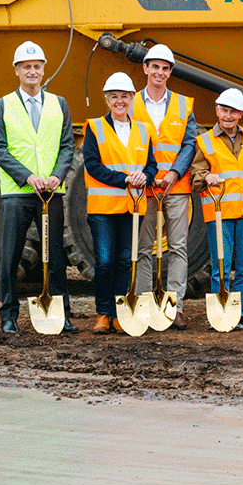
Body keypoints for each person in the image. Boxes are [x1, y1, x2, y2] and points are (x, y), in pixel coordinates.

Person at [0, 40, 78, 334]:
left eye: (37, 66)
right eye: (26, 66)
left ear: (43, 70)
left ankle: (61, 315)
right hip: (17, 193)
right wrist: (27, 176)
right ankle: (8, 315)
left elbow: (67, 145)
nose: (32, 71)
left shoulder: (59, 103)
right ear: (16, 70)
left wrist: (57, 176)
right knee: (11, 255)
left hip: (51, 192)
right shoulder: (2, 105)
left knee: (55, 256)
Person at [82, 72, 158, 334]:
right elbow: (92, 165)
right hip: (103, 208)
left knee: (125, 261)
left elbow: (151, 165)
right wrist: (124, 179)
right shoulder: (94, 127)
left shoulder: (144, 130)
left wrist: (145, 176)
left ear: (132, 98)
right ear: (107, 99)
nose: (119, 101)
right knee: (104, 262)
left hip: (132, 207)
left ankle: (118, 314)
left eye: (124, 96)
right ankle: (103, 314)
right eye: (114, 96)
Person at [132, 43, 197, 330]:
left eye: (165, 68)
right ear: (145, 68)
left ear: (170, 72)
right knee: (143, 248)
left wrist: (174, 173)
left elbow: (189, 143)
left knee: (178, 247)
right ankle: (144, 305)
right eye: (155, 66)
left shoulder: (183, 104)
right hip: (144, 188)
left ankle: (175, 307)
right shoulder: (130, 102)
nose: (159, 72)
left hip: (176, 187)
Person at [190, 87, 243, 330]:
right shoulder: (205, 140)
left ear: (241, 114)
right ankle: (220, 313)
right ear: (217, 111)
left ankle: (240, 313)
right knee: (220, 265)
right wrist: (207, 176)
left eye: (233, 112)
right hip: (219, 213)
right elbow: (196, 175)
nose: (228, 116)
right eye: (224, 110)